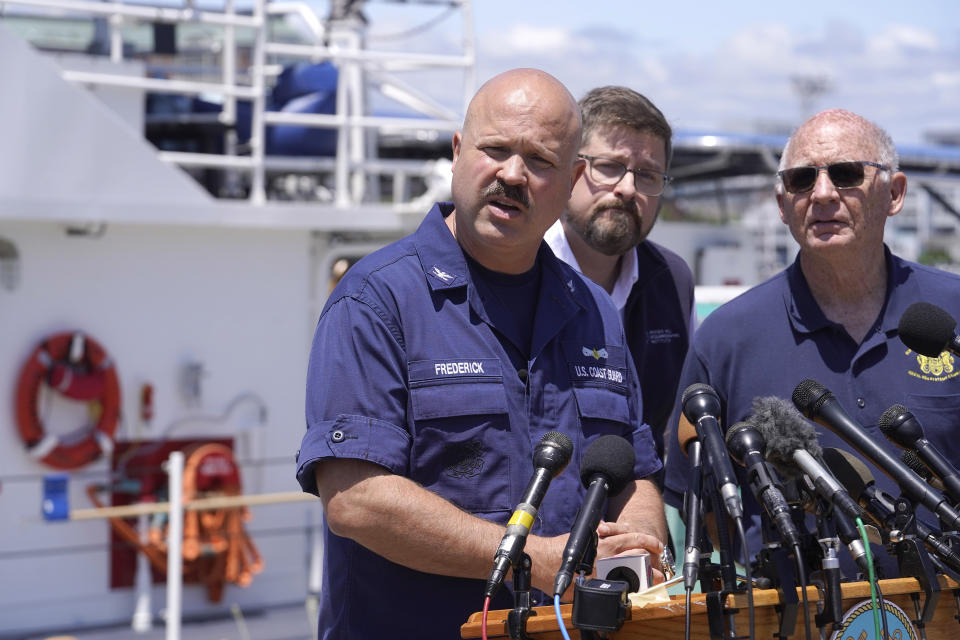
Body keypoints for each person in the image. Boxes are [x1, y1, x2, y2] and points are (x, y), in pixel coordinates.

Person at [295, 68, 668, 640]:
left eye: (540, 161)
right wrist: (531, 557)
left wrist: (640, 538)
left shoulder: (593, 310)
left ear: (570, 181)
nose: (513, 175)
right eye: (496, 150)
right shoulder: (377, 299)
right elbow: (355, 497)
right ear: (457, 152)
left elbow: (633, 470)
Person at [662, 108, 960, 579]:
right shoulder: (725, 339)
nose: (822, 194)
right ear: (782, 205)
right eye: (802, 180)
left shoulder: (951, 315)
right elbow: (706, 508)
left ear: (895, 193)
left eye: (845, 175)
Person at [545, 86, 694, 464]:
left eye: (647, 175)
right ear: (571, 168)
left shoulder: (673, 282)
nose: (628, 188)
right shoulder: (521, 268)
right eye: (609, 166)